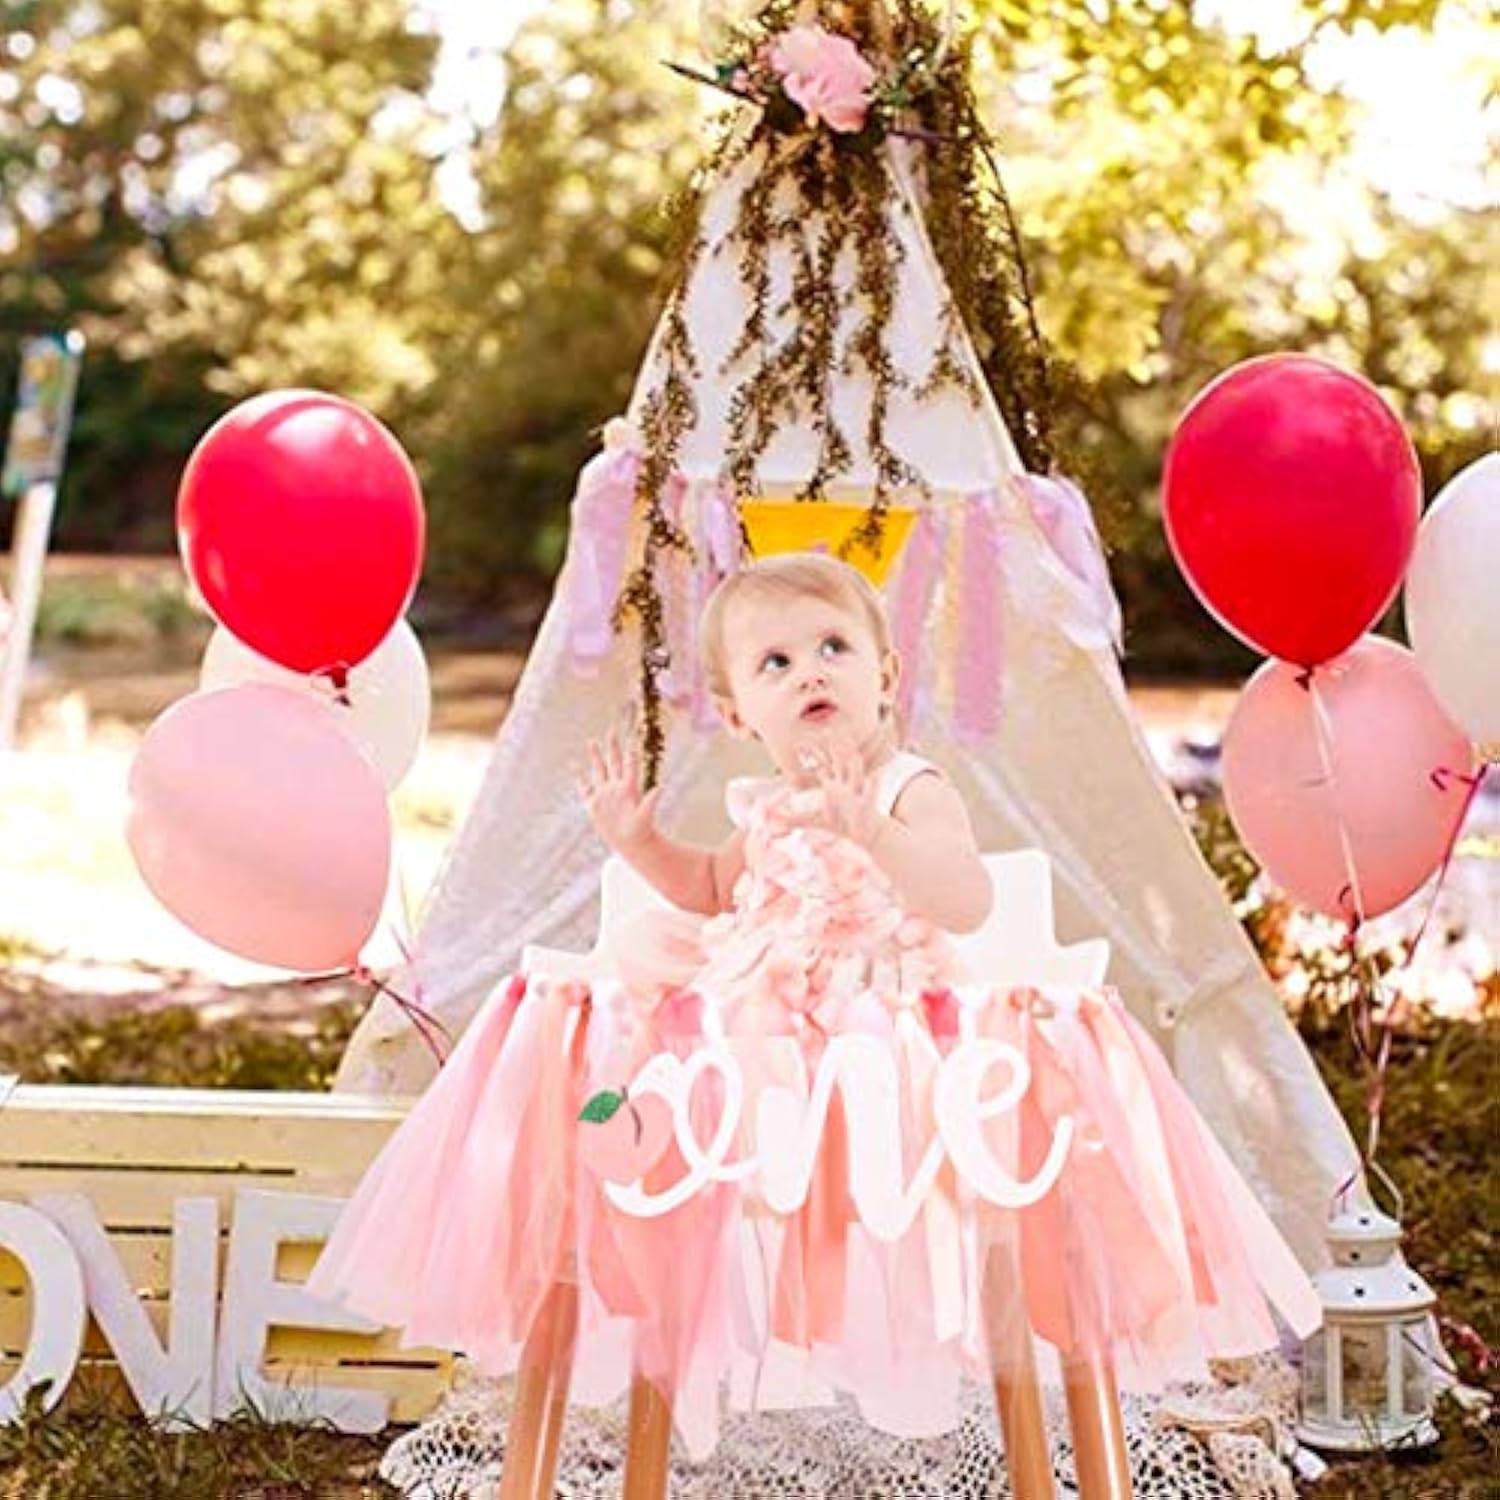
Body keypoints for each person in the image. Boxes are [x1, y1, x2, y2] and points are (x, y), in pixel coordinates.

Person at [309, 553, 1318, 1459]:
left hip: (893, 1056)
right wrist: (638, 841)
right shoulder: (763, 811)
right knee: (649, 1062)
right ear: (741, 714)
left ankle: (736, 1196)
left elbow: (961, 898)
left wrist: (869, 830)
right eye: (776, 664)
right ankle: (633, 1177)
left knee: (856, 1087)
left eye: (834, 647)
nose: (812, 673)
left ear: (886, 677)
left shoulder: (910, 790)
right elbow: (708, 891)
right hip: (766, 1042)